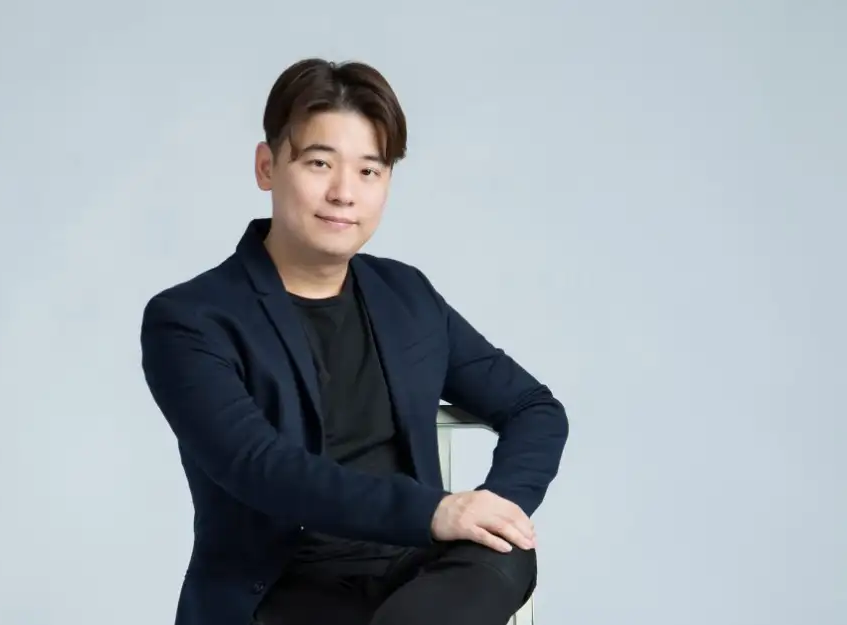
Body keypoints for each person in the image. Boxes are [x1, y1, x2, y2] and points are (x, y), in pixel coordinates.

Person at [140, 57, 570, 625]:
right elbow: (259, 466)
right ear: (267, 167)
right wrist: (435, 510)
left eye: (370, 171)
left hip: (417, 575)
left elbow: (533, 407)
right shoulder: (190, 319)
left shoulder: (406, 296)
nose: (345, 193)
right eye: (320, 163)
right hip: (282, 588)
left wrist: (496, 507)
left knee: (505, 552)